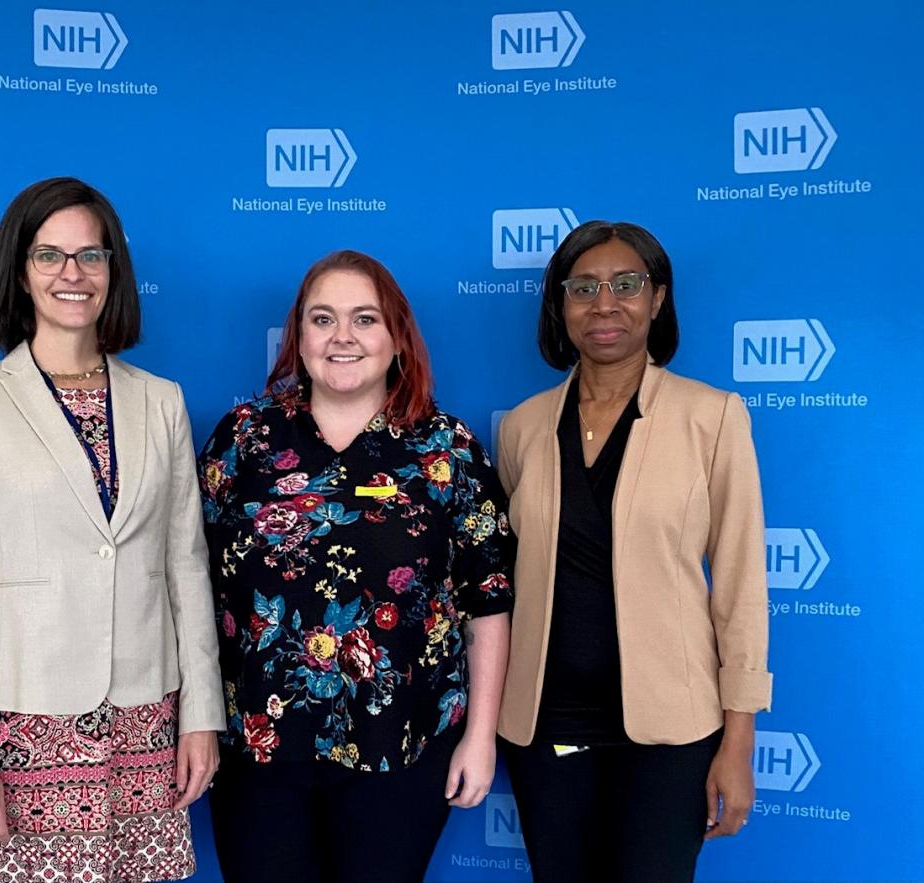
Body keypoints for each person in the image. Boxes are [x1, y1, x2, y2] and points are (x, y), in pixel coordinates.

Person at [0, 177, 224, 883]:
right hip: (26, 728)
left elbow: (186, 568)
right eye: (49, 255)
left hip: (146, 721)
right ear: (19, 272)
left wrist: (201, 715)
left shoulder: (161, 402)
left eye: (91, 256)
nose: (72, 274)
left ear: (113, 271)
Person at [197, 250, 515, 883]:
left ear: (397, 337)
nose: (342, 337)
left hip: (401, 749)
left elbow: (488, 604)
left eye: (364, 319)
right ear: (299, 338)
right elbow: (192, 588)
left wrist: (481, 738)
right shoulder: (243, 440)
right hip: (258, 752)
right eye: (323, 319)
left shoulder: (446, 450)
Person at [495, 221, 772, 883]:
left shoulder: (713, 417)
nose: (605, 303)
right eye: (583, 287)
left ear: (657, 298)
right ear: (562, 307)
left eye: (627, 284)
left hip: (671, 734)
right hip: (546, 725)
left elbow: (739, 588)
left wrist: (739, 739)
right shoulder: (521, 427)